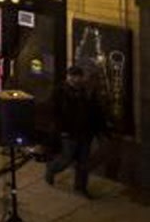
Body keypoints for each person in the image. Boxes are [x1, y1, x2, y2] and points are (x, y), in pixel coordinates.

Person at [45, 66, 106, 197]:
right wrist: (62, 130)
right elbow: (55, 113)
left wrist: (100, 129)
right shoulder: (60, 91)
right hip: (69, 132)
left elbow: (95, 111)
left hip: (85, 132)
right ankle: (52, 168)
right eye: (73, 76)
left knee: (83, 162)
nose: (75, 79)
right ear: (68, 77)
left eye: (78, 76)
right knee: (67, 158)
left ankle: (81, 187)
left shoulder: (86, 91)